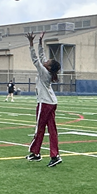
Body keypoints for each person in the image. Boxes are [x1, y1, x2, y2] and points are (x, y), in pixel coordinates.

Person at [25, 32, 63, 167]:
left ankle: (36, 153)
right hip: (51, 102)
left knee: (39, 128)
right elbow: (41, 57)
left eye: (47, 62)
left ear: (49, 67)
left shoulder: (44, 73)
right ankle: (54, 155)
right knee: (52, 129)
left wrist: (31, 44)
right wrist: (40, 42)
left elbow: (36, 60)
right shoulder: (48, 71)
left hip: (45, 103)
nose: (45, 61)